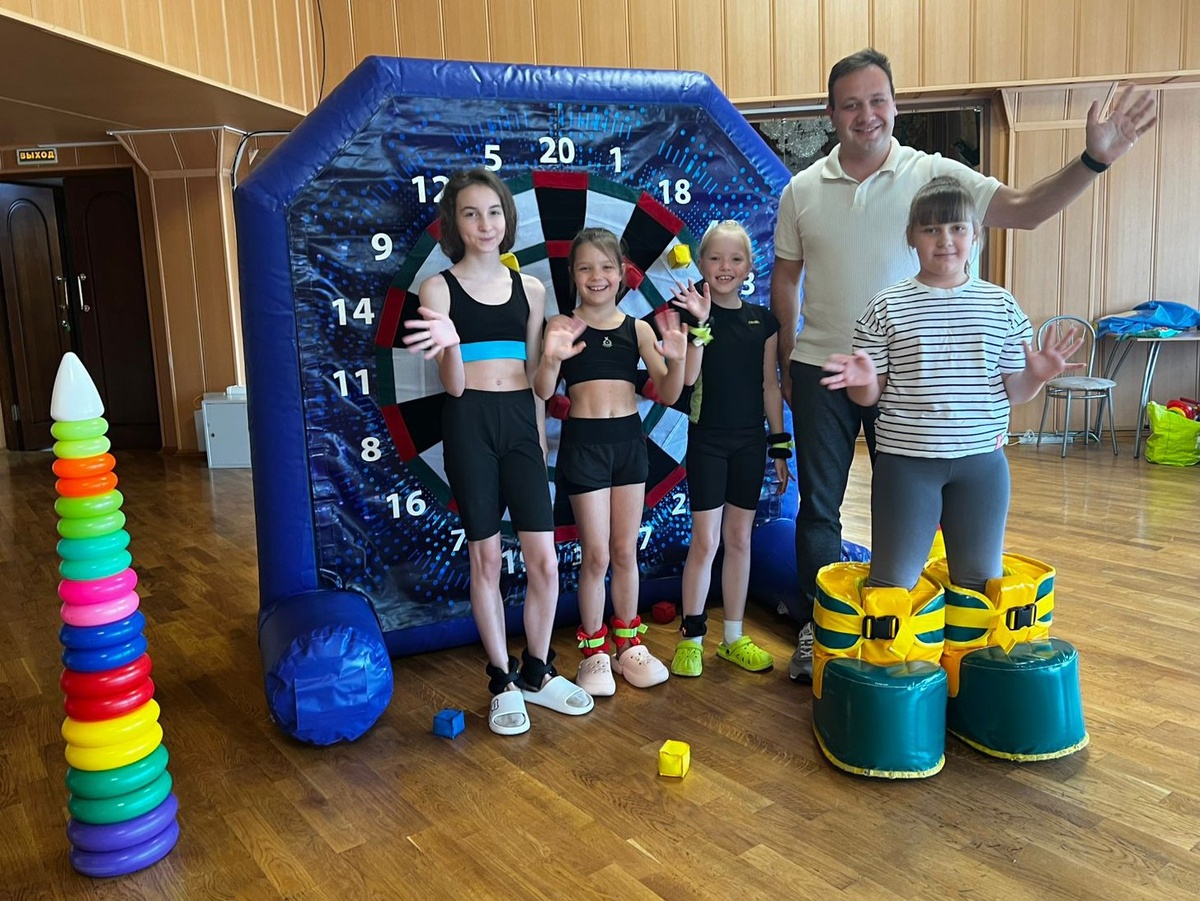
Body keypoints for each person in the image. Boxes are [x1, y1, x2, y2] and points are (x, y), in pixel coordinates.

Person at [770, 48, 1158, 683]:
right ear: (831, 113)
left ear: (895, 104)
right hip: (822, 369)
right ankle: (821, 629)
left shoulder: (933, 175)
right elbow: (786, 277)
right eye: (850, 104)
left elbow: (1025, 209)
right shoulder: (801, 189)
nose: (866, 115)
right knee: (818, 508)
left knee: (914, 502)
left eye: (877, 100)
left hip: (911, 381)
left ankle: (940, 640)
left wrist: (1095, 159)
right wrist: (789, 357)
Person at [819, 174, 1082, 603]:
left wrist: (1038, 374)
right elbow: (869, 397)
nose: (945, 240)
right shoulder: (885, 307)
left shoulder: (1001, 305)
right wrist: (863, 381)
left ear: (975, 235)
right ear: (911, 237)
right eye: (931, 229)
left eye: (957, 227)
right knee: (891, 587)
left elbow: (1015, 391)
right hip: (905, 465)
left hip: (983, 465)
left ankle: (966, 650)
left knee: (979, 588)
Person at [403, 168, 594, 735]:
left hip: (520, 426)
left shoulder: (531, 290)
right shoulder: (438, 289)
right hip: (469, 424)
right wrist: (451, 346)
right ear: (454, 223)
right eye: (470, 213)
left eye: (493, 212)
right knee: (486, 559)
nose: (484, 224)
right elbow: (455, 386)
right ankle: (502, 679)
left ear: (507, 219)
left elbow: (537, 384)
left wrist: (553, 362)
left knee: (544, 560)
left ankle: (537, 670)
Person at [533, 227, 688, 695]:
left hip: (628, 444)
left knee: (624, 552)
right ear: (573, 274)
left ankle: (629, 644)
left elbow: (670, 392)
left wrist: (678, 359)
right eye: (585, 268)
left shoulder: (637, 328)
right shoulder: (561, 326)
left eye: (606, 267)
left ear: (622, 273)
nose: (596, 276)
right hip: (585, 447)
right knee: (596, 555)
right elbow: (542, 390)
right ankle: (594, 652)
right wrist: (550, 358)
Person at [665, 221, 789, 678]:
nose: (725, 267)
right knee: (706, 540)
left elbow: (770, 386)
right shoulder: (690, 314)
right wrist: (700, 324)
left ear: (749, 266)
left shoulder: (763, 321)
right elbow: (687, 380)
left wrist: (779, 446)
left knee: (739, 539)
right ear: (701, 264)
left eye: (735, 259)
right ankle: (691, 637)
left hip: (750, 443)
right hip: (708, 442)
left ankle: (733, 637)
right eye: (715, 258)